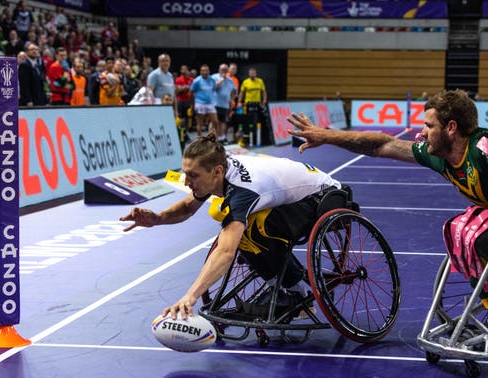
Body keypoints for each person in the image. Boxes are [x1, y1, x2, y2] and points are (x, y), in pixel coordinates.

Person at [287, 89, 488, 332]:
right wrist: (326, 135)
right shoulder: (440, 155)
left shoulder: (484, 144)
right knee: (462, 228)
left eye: (428, 126)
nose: (420, 133)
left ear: (451, 128)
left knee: (480, 230)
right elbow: (382, 145)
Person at [119, 133, 341, 319]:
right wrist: (157, 218)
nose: (186, 182)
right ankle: (281, 286)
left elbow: (225, 252)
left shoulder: (242, 190)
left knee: (253, 229)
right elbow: (188, 208)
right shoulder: (216, 169)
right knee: (233, 223)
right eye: (186, 174)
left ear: (217, 171)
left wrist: (191, 296)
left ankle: (296, 295)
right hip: (289, 194)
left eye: (193, 176)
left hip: (321, 197)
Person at [189, 64, 218, 137]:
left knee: (215, 121)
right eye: (203, 70)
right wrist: (192, 105)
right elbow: (191, 92)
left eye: (207, 70)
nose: (205, 72)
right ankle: (200, 140)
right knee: (200, 124)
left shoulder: (212, 80)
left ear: (209, 71)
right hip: (200, 103)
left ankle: (211, 138)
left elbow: (213, 90)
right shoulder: (197, 81)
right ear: (200, 72)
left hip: (210, 104)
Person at [211, 63, 236, 143]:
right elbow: (213, 87)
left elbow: (234, 90)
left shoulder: (230, 80)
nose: (224, 71)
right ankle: (211, 139)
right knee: (214, 122)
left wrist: (231, 99)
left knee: (223, 122)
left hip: (225, 105)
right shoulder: (214, 77)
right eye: (222, 69)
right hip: (215, 104)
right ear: (219, 70)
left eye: (225, 70)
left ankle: (221, 139)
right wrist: (221, 79)